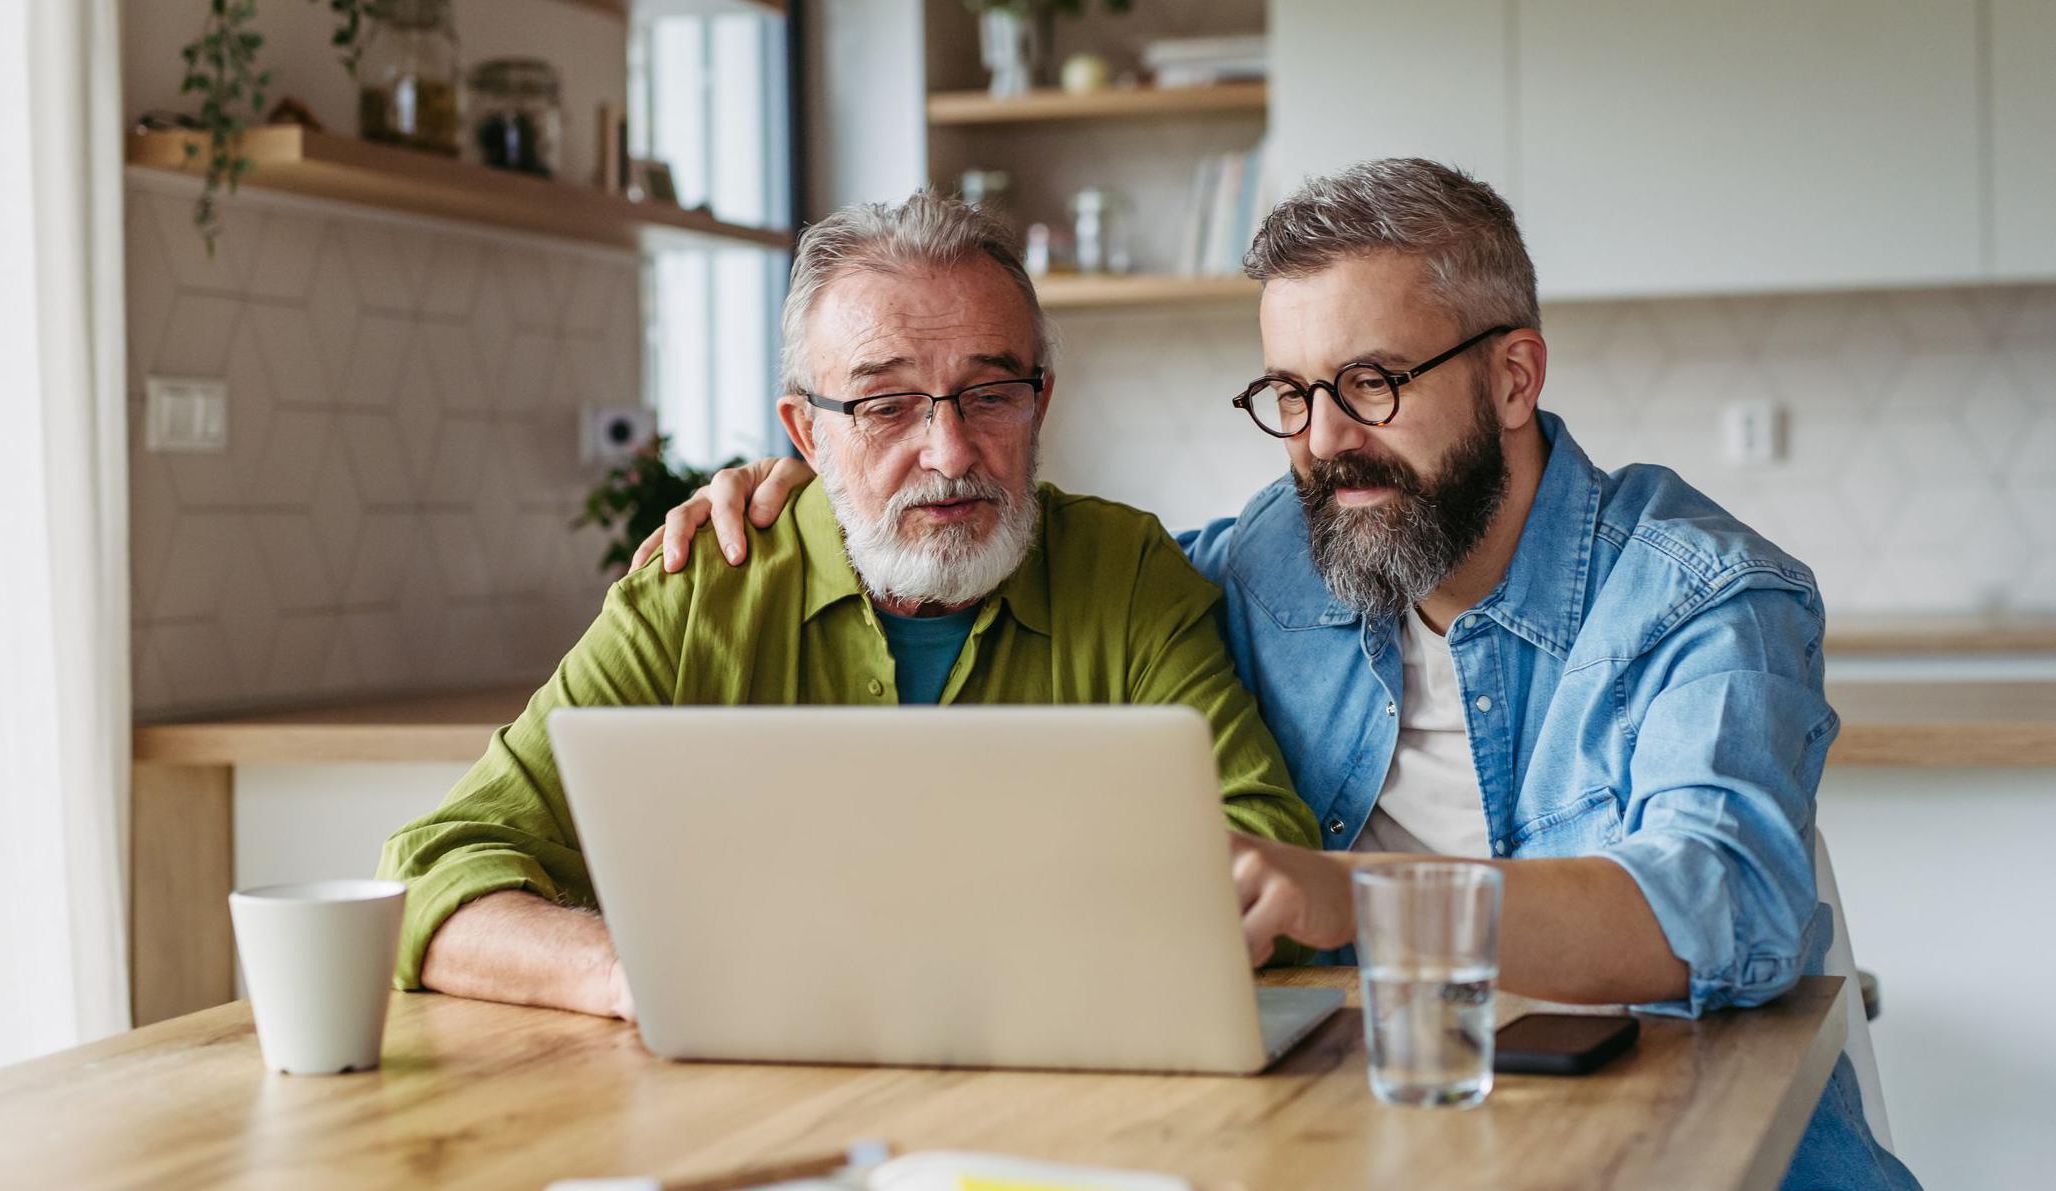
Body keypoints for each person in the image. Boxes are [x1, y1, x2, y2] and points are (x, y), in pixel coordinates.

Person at [639, 160, 1918, 1188]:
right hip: (1367, 1144)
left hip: (1702, 1153)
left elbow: (1719, 909)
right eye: (1290, 396)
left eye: (1371, 385)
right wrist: (834, 480)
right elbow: (1042, 563)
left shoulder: (1705, 595)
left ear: (1515, 375)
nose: (1324, 445)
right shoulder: (1280, 554)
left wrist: (1346, 896)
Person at [376, 191, 1319, 1021]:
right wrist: (633, 974)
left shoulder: (1126, 572)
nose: (949, 452)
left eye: (989, 395)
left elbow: (1268, 849)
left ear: (1042, 403)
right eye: (885, 406)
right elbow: (431, 868)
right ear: (806, 431)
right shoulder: (706, 584)